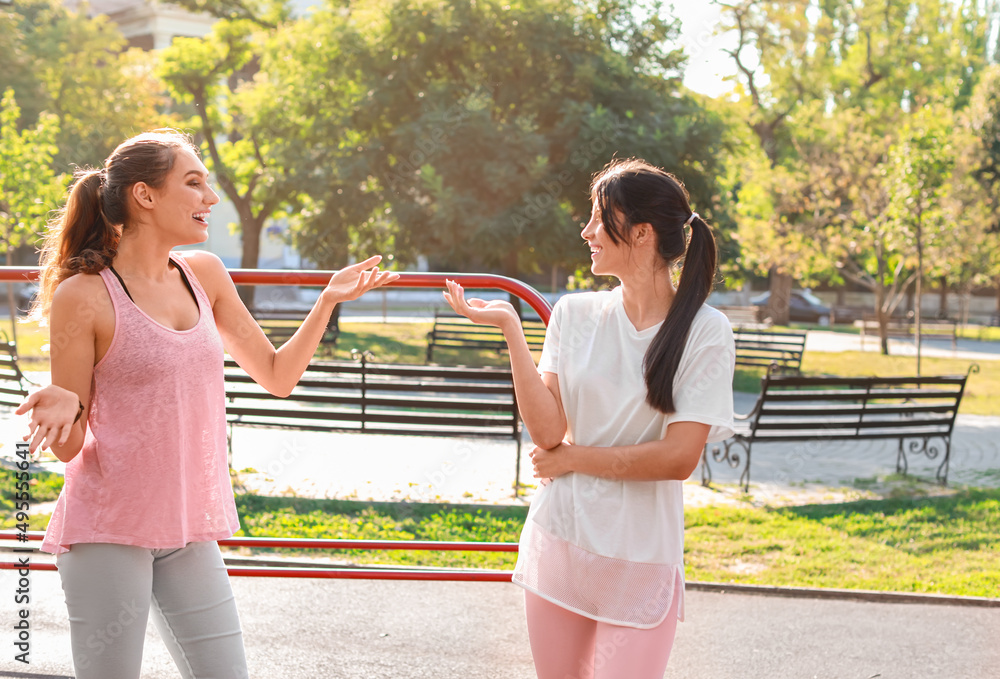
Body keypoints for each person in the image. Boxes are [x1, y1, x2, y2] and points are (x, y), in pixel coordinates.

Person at [16, 129, 398, 679]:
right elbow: (72, 445)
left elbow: (277, 376)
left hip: (188, 526)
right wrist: (63, 406)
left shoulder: (206, 274)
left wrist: (326, 303)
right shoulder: (85, 294)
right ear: (145, 196)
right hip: (108, 530)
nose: (210, 199)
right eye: (193, 184)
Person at [443, 158, 735, 678]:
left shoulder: (706, 331)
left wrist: (574, 460)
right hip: (562, 542)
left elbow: (678, 458)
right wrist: (512, 327)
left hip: (641, 559)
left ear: (641, 233)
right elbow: (548, 432)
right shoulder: (573, 314)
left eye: (600, 218)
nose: (586, 231)